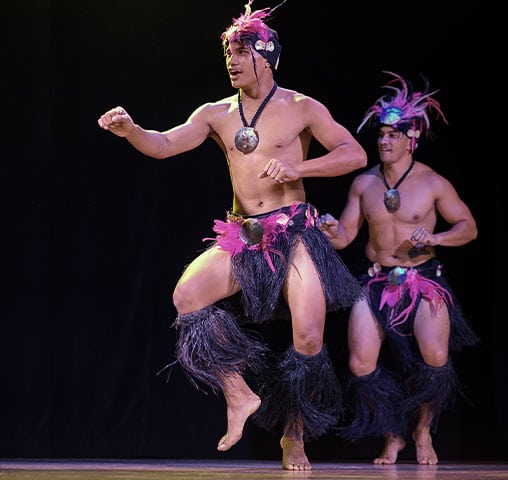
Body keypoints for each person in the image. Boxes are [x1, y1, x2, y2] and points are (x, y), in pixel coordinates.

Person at [98, 0, 367, 470]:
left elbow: (354, 154)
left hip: (295, 231)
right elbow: (163, 145)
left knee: (308, 337)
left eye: (241, 53)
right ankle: (238, 394)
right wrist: (132, 130)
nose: (232, 61)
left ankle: (294, 436)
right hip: (245, 232)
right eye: (228, 54)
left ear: (266, 56)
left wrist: (299, 166)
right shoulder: (215, 113)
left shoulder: (301, 107)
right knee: (187, 297)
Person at [319, 71, 479, 465]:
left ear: (412, 138)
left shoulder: (432, 183)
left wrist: (437, 239)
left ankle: (422, 431)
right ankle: (393, 435)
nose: (384, 141)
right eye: (381, 134)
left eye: (393, 135)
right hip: (375, 282)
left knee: (436, 355)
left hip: (423, 279)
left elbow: (469, 228)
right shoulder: (364, 183)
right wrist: (329, 230)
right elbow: (346, 236)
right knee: (360, 364)